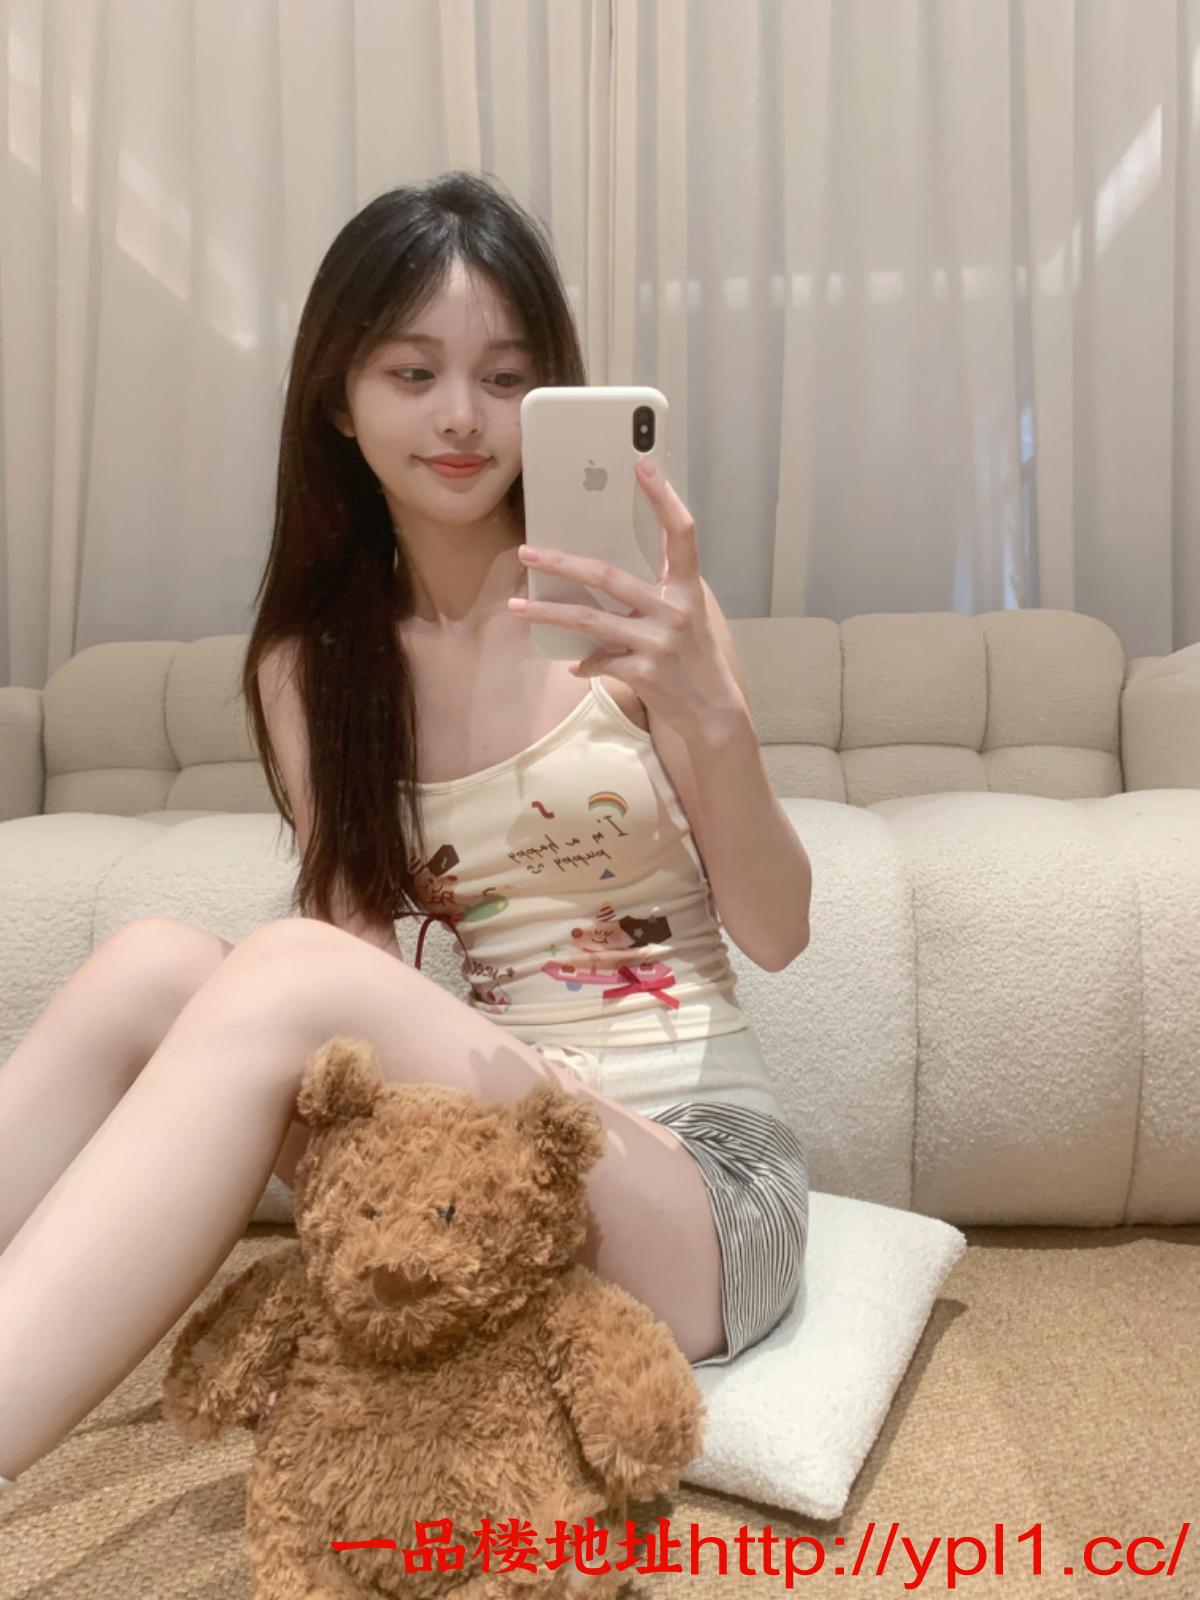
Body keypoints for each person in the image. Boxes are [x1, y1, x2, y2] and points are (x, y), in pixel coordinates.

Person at [0, 170, 808, 1492]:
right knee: (155, 962)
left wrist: (710, 712)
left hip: (698, 1195)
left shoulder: (640, 616)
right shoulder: (314, 665)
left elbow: (778, 931)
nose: (461, 416)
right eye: (413, 372)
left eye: (506, 376)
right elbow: (357, 1004)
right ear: (340, 399)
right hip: (479, 1171)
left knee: (288, 970)